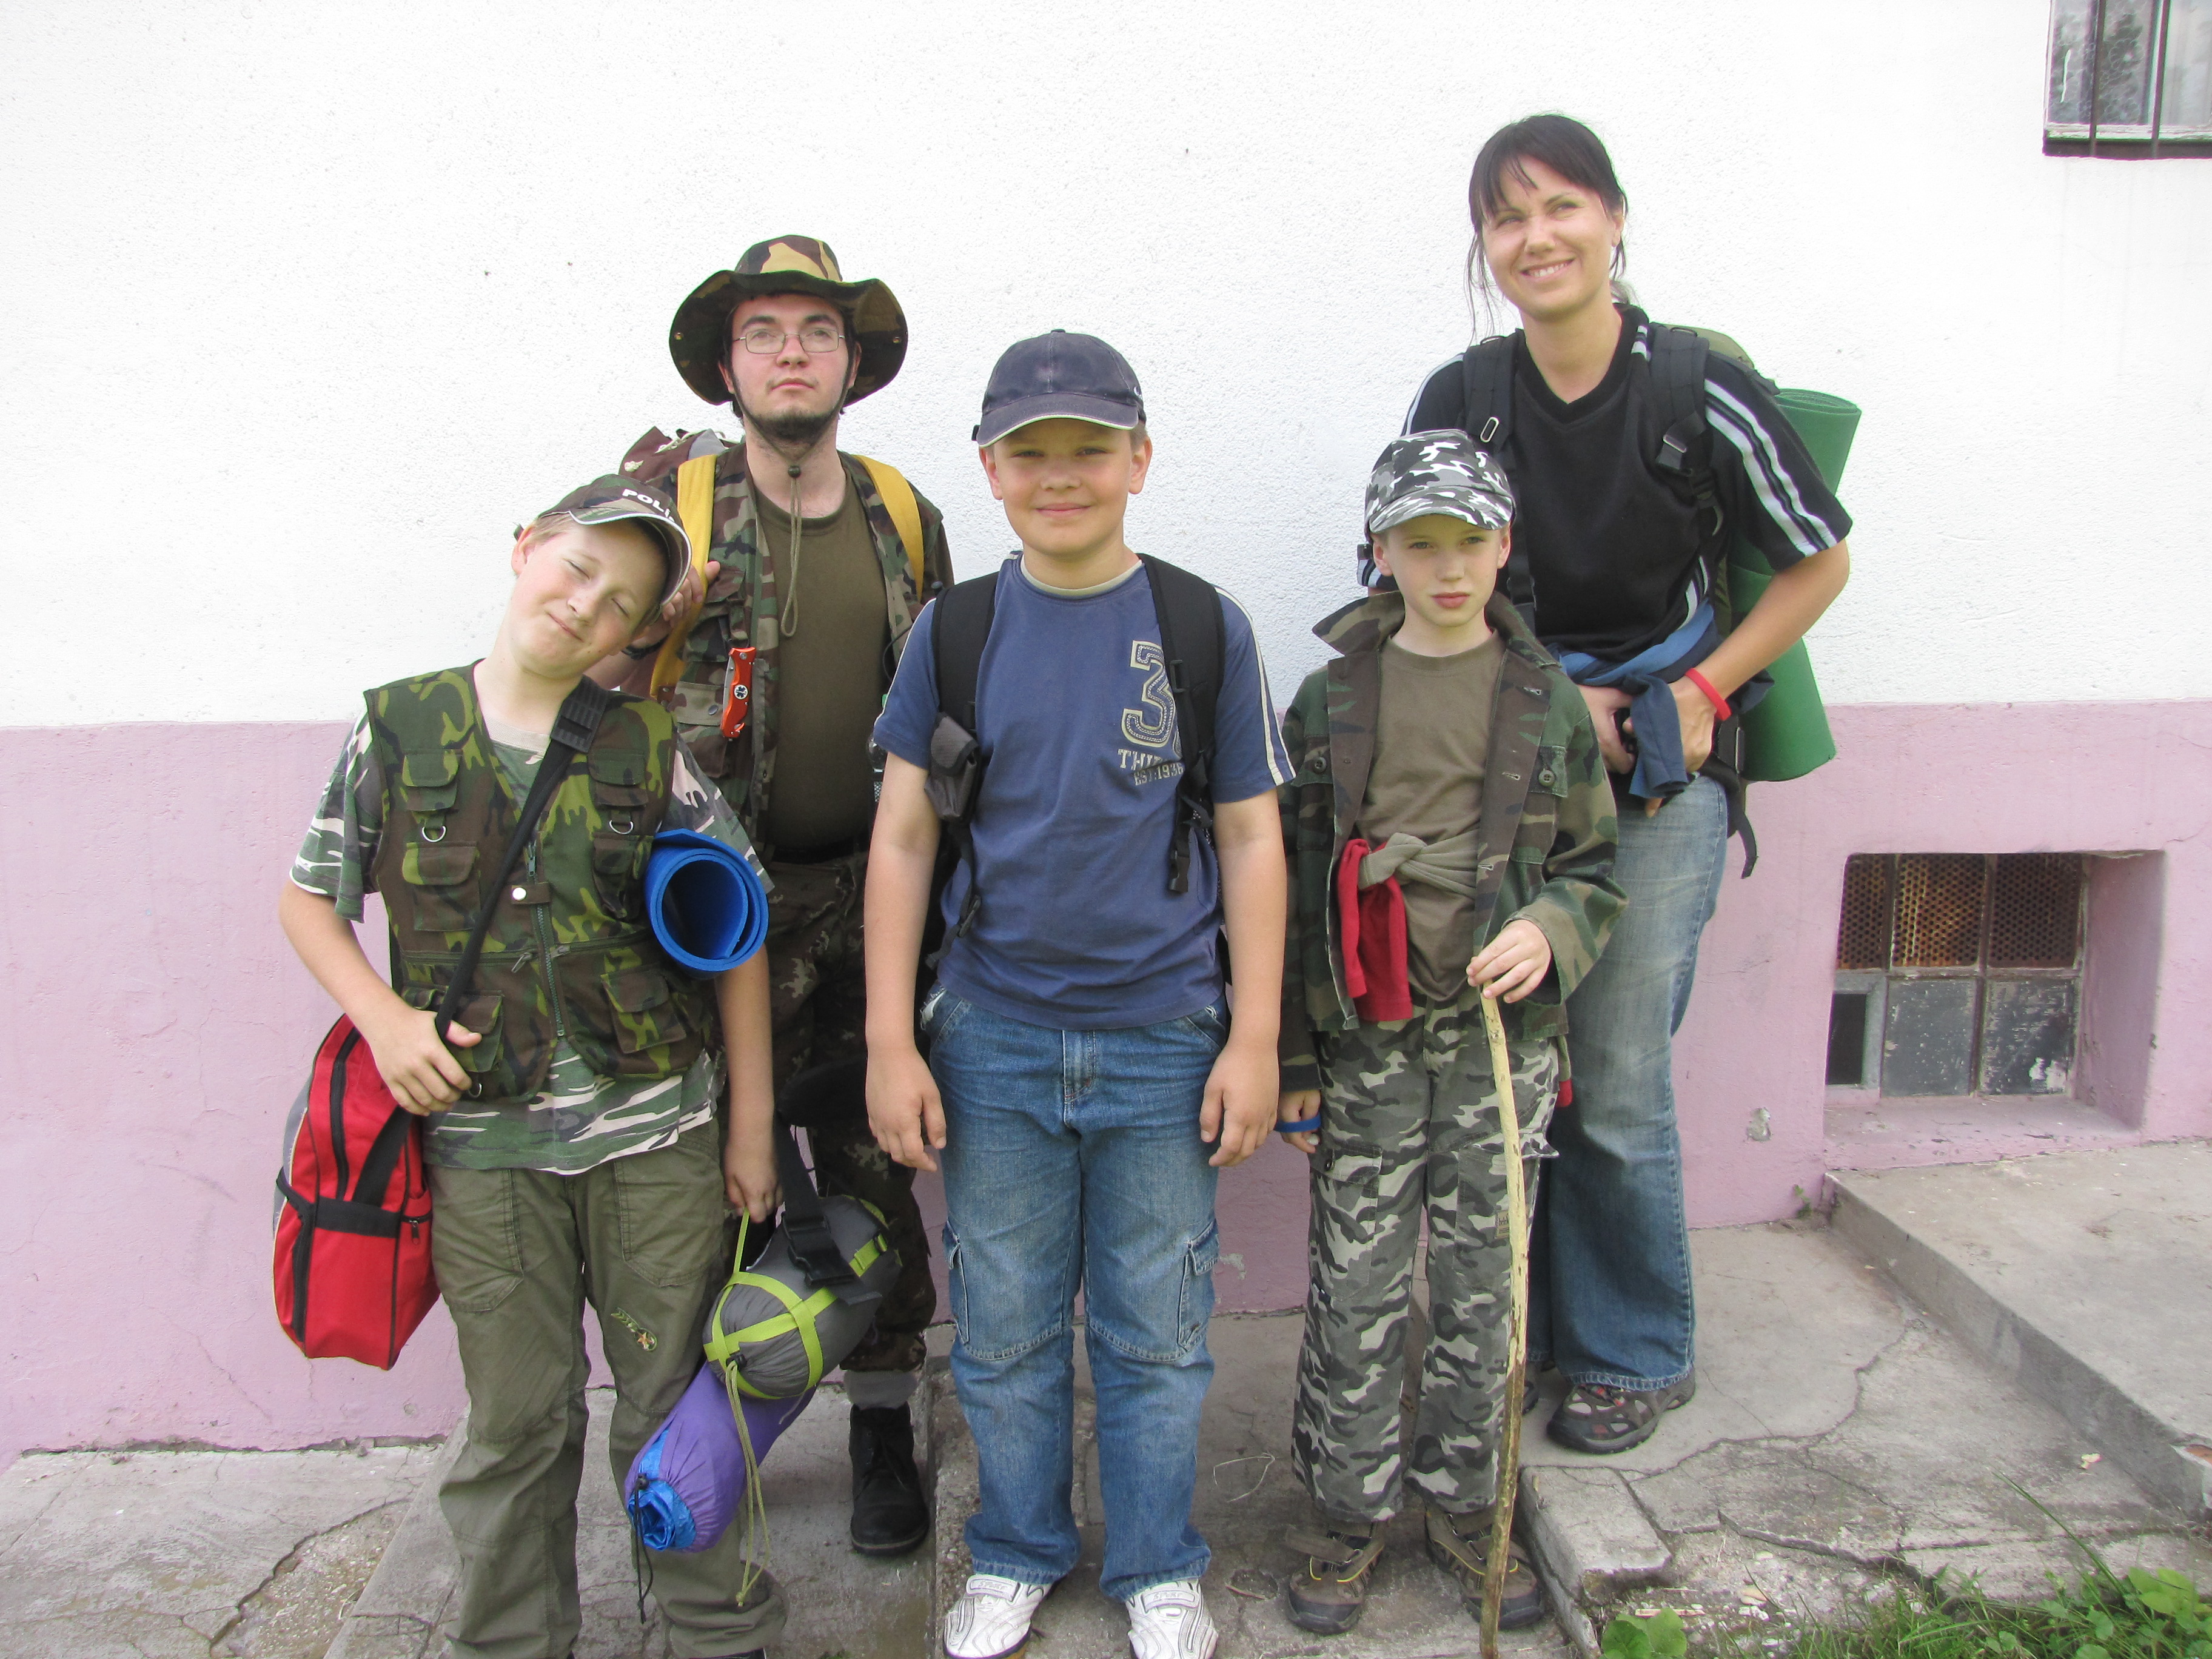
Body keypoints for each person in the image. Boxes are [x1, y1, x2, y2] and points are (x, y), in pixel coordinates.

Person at [1395, 114, 1852, 1453]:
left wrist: (1700, 694)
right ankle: (1530, 1334)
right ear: (1484, 247)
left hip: (1661, 775)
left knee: (1613, 1067)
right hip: (1507, 768)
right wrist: (1553, 709)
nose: (1536, 237)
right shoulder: (1463, 397)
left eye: (1561, 207)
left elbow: (1819, 558)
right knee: (1510, 1060)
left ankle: (1635, 1352)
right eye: (1507, 217)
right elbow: (1410, 575)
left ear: (1613, 220)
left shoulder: (1697, 386)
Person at [279, 477, 785, 1659]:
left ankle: (717, 1632)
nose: (585, 607)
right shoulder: (398, 729)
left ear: (637, 632)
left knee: (675, 1405)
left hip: (656, 1147)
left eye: (620, 605)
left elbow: (742, 928)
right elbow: (309, 900)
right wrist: (383, 1023)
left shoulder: (644, 747)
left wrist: (752, 1127)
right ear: (525, 549)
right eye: (575, 568)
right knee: (516, 1422)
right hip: (486, 1160)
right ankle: (513, 1640)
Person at [863, 330, 1291, 1659]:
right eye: (1031, 454)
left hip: (1167, 1038)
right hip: (991, 1038)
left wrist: (1257, 1037)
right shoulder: (957, 632)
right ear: (991, 470)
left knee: (1158, 1332)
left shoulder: (1202, 627)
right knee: (1002, 1328)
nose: (1061, 477)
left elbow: (1251, 836)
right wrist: (889, 1043)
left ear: (1139, 461)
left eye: (1090, 451)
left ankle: (1160, 1565)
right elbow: (904, 839)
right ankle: (1016, 1549)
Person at [605, 235, 951, 1555]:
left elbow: (946, 701)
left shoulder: (903, 513)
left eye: (817, 332)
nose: (791, 354)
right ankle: (706, 1436)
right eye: (765, 333)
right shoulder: (666, 507)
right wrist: (649, 625)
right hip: (711, 913)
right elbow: (567, 657)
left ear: (852, 364)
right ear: (727, 364)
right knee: (709, 1179)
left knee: (874, 1164)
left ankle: (882, 1426)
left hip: (873, 897)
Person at [1274, 432, 1624, 1634]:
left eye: (1470, 542)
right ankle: (1343, 1521)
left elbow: (1594, 870)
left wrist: (1548, 929)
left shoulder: (1545, 699)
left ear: (1504, 545)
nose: (1449, 567)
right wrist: (1296, 1060)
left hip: (1496, 1047)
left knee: (1487, 1292)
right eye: (1420, 544)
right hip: (1368, 1041)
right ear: (1380, 552)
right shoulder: (1330, 701)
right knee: (1356, 1289)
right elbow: (1293, 886)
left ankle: (1474, 1512)